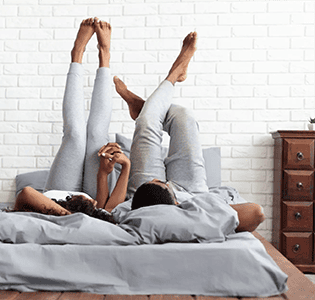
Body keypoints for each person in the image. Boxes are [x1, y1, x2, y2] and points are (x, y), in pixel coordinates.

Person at [99, 31, 265, 232]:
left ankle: (168, 82)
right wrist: (191, 212)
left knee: (146, 123)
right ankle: (158, 92)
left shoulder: (133, 215)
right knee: (183, 117)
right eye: (158, 181)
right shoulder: (194, 214)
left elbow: (107, 210)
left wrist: (127, 170)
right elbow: (257, 213)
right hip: (193, 193)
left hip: (142, 198)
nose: (156, 178)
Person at [10, 18, 130, 223]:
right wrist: (123, 167)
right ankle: (104, 55)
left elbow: (26, 193)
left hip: (58, 198)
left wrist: (70, 217)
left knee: (74, 134)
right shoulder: (97, 222)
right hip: (94, 201)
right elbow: (106, 210)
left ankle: (77, 54)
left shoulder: (63, 220)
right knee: (96, 134)